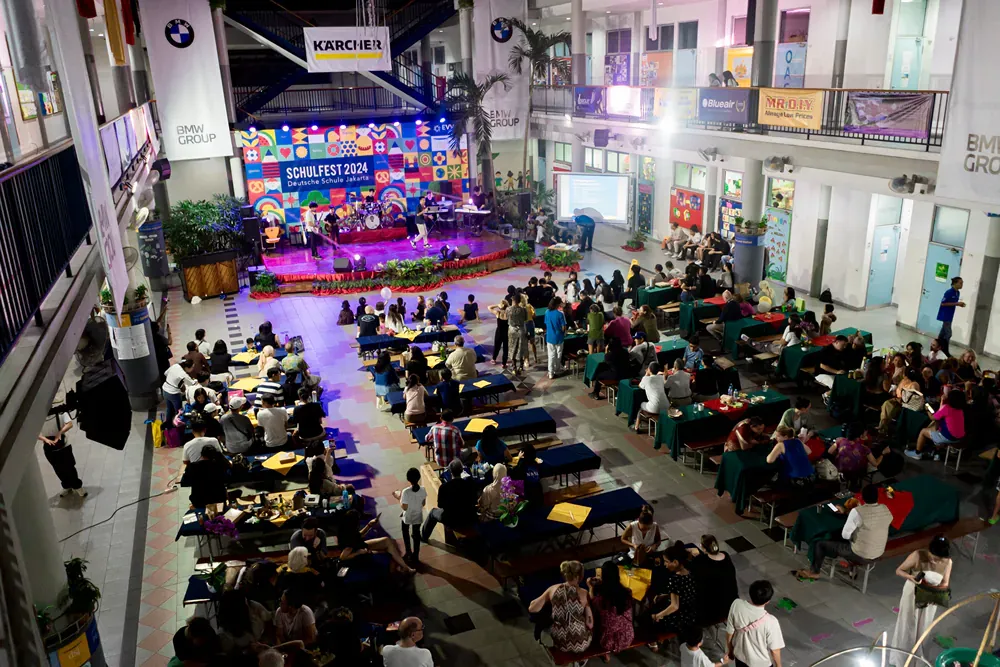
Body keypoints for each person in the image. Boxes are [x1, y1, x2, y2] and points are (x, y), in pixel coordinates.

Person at [795, 484, 892, 579]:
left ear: (862, 497)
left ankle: (814, 572)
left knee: (820, 544)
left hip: (859, 554)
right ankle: (851, 568)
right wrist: (847, 513)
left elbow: (845, 535)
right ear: (877, 497)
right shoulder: (885, 508)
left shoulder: (857, 511)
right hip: (878, 552)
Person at [890, 535, 953, 659]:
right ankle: (902, 656)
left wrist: (935, 587)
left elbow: (945, 583)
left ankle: (917, 656)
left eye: (938, 559)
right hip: (912, 593)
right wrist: (911, 577)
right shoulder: (918, 555)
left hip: (931, 597)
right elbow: (899, 570)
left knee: (924, 626)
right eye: (933, 557)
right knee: (908, 624)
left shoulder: (948, 562)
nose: (934, 561)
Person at [528, 560, 593, 657]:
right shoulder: (584, 593)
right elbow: (590, 624)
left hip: (559, 640)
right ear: (579, 576)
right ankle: (582, 659)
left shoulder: (553, 589)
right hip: (580, 643)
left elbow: (532, 608)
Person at [648, 541, 699, 648]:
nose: (665, 564)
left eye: (666, 562)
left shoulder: (675, 579)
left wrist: (657, 616)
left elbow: (674, 606)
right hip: (691, 614)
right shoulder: (689, 572)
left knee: (649, 618)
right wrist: (666, 596)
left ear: (675, 562)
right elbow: (683, 593)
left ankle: (655, 641)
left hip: (679, 619)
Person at [725, 580, 784, 667]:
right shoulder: (771, 622)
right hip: (760, 663)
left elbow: (729, 632)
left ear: (750, 593)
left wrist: (730, 651)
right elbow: (775, 650)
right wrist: (779, 666)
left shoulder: (736, 604)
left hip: (740, 657)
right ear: (768, 601)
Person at [338, 509, 415, 574]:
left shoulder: (348, 528)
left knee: (389, 541)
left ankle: (404, 567)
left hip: (359, 546)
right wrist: (358, 553)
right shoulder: (349, 542)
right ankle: (396, 574)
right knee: (390, 551)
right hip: (358, 555)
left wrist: (369, 525)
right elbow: (342, 557)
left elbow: (359, 535)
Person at [688, 535, 739, 630]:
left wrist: (696, 557)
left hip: (712, 610)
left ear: (703, 548)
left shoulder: (700, 561)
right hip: (730, 604)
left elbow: (692, 574)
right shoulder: (726, 555)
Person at [420, 459, 478, 541]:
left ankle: (424, 536)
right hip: (468, 517)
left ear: (450, 472)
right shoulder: (470, 485)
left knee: (432, 513)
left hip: (451, 520)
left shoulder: (444, 487)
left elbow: (440, 505)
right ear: (462, 471)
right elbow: (474, 501)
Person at [587, 560, 634, 654]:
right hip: (627, 636)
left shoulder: (602, 599)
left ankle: (605, 654)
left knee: (595, 617)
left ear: (603, 577)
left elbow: (592, 601)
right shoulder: (627, 592)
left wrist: (591, 587)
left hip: (608, 641)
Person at [38, 409, 86, 498]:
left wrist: (60, 433)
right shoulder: (38, 417)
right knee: (58, 469)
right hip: (49, 448)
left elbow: (69, 424)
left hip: (64, 446)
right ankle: (66, 485)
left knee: (70, 467)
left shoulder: (60, 412)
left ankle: (77, 486)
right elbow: (33, 431)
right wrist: (45, 439)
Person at [909, 389, 966, 459]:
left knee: (923, 431)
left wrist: (927, 409)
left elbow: (933, 418)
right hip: (959, 438)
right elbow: (941, 413)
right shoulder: (960, 410)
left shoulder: (947, 408)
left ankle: (917, 453)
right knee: (936, 429)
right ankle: (937, 453)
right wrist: (942, 402)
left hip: (948, 437)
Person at [216, 589, 273, 655]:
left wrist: (265, 640)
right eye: (244, 603)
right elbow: (231, 654)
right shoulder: (224, 635)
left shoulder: (253, 606)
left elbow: (269, 620)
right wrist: (249, 649)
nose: (247, 605)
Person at [396, 467, 426, 564]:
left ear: (408, 479)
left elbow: (404, 507)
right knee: (416, 535)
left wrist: (399, 498)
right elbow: (423, 504)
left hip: (408, 516)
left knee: (405, 531)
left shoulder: (405, 492)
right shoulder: (423, 490)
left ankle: (408, 551)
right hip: (418, 516)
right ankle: (416, 555)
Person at [163, 358, 197, 425]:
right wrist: (195, 381)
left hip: (165, 389)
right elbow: (192, 383)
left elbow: (165, 373)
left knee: (169, 409)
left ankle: (168, 425)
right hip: (173, 393)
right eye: (192, 367)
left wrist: (173, 379)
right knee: (179, 412)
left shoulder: (176, 365)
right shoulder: (183, 374)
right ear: (187, 367)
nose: (193, 369)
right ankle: (178, 426)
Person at [936, 276, 964, 357]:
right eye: (960, 283)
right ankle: (945, 350)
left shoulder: (957, 293)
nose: (962, 285)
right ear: (955, 283)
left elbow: (953, 303)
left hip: (950, 315)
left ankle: (937, 346)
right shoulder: (949, 292)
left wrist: (959, 304)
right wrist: (957, 304)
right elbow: (943, 303)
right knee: (948, 334)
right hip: (945, 315)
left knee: (942, 334)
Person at [636, 362, 669, 431]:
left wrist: (646, 374)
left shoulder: (646, 379)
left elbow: (640, 386)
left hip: (654, 408)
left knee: (641, 406)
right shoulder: (661, 377)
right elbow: (662, 376)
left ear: (649, 370)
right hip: (666, 406)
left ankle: (636, 427)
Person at [544, 297, 567, 379]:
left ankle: (550, 372)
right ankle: (557, 369)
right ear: (558, 304)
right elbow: (563, 327)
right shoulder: (560, 314)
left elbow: (546, 323)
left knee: (551, 355)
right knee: (558, 354)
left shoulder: (547, 312)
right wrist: (564, 332)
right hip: (559, 337)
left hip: (550, 336)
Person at [488, 296, 509, 368]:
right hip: (506, 333)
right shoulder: (508, 314)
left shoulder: (498, 313)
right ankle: (504, 363)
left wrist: (497, 305)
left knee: (497, 346)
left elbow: (489, 307)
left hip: (499, 332)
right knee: (506, 348)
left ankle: (494, 359)